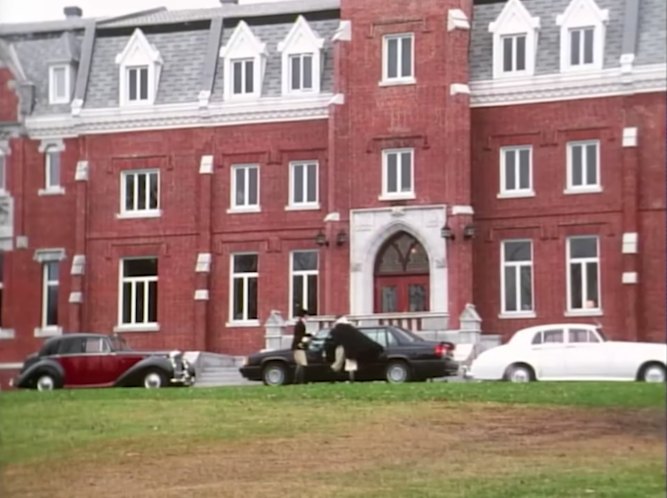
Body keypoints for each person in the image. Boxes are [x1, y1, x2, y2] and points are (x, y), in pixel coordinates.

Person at [326, 315, 384, 382]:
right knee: (351, 366)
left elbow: (334, 340)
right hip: (352, 350)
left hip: (345, 349)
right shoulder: (350, 328)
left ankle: (331, 378)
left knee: (338, 365)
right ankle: (351, 379)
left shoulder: (338, 329)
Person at [291, 308, 311, 384]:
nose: (308, 317)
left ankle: (298, 380)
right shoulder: (301, 324)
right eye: (307, 316)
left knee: (300, 364)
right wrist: (300, 343)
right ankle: (299, 381)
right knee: (302, 363)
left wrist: (309, 335)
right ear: (304, 315)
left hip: (297, 346)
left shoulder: (300, 324)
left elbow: (300, 334)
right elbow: (299, 336)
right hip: (298, 346)